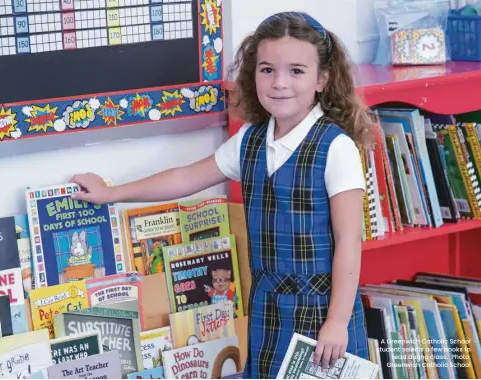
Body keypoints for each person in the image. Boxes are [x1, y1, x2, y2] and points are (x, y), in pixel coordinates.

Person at [70, 11, 372, 379]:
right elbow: (184, 178)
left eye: (296, 71)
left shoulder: (335, 148)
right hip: (268, 305)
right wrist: (112, 193)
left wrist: (337, 322)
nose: (279, 83)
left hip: (322, 310)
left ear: (322, 78)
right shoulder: (251, 140)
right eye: (267, 70)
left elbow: (348, 242)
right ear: (253, 74)